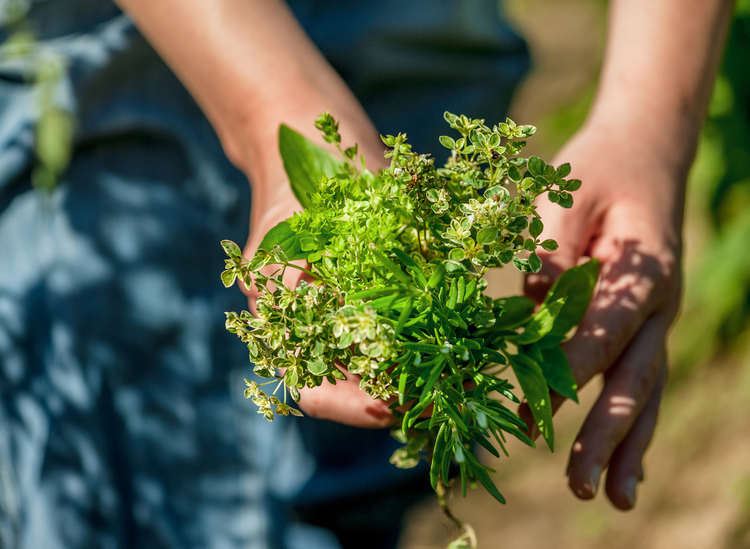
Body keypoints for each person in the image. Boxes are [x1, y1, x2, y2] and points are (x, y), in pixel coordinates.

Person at [0, 0, 735, 548]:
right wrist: (272, 112)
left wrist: (650, 119)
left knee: (363, 456)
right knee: (123, 491)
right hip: (135, 65)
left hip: (413, 37)